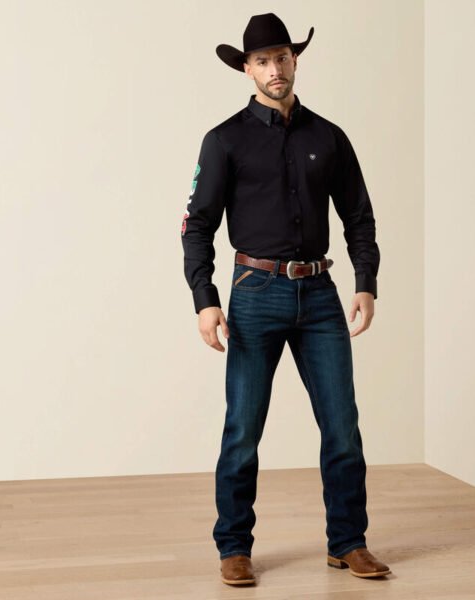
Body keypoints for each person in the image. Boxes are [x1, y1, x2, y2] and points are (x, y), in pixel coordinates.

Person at [181, 12, 392, 587]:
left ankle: (347, 542)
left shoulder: (329, 137)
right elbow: (197, 225)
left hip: (320, 295)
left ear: (295, 60)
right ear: (247, 70)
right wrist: (205, 298)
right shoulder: (224, 140)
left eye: (282, 57)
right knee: (243, 429)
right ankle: (234, 547)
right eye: (262, 60)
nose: (274, 68)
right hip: (255, 294)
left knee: (342, 427)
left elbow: (359, 216)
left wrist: (365, 281)